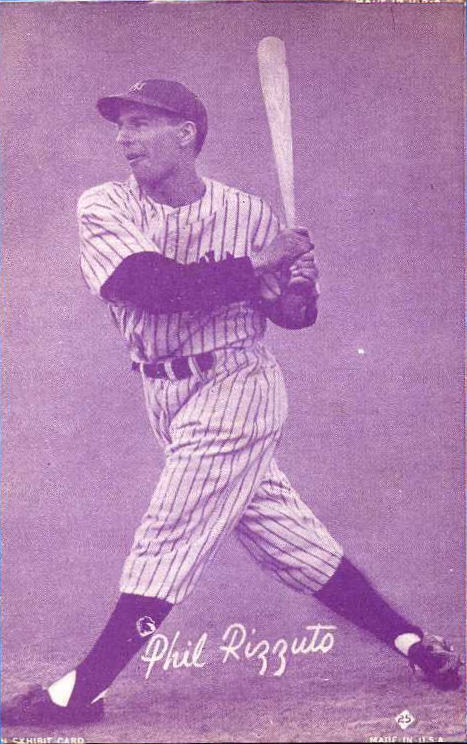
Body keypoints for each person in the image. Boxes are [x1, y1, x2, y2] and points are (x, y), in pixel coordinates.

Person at [2, 78, 462, 727]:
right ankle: (412, 643)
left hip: (237, 386)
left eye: (139, 123)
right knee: (290, 542)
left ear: (185, 133)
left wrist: (296, 293)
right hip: (164, 394)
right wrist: (259, 266)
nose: (124, 138)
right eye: (121, 125)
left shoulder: (248, 212)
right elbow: (147, 285)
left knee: (168, 535)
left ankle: (79, 694)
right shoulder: (105, 205)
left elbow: (293, 317)